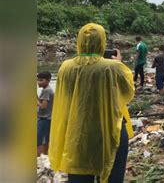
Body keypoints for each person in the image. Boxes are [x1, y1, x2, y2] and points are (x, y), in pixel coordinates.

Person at [49, 23, 134, 182]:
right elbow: (128, 92)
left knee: (79, 177)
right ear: (102, 42)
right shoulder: (113, 67)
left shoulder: (65, 67)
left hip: (79, 132)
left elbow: (66, 96)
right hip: (111, 130)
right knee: (113, 176)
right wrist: (119, 62)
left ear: (79, 41)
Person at [37, 71, 54, 157]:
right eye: (38, 80)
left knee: (38, 139)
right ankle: (45, 155)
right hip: (48, 118)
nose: (38, 82)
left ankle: (39, 157)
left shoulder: (46, 91)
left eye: (41, 80)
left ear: (48, 80)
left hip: (45, 119)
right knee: (45, 139)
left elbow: (43, 106)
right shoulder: (47, 89)